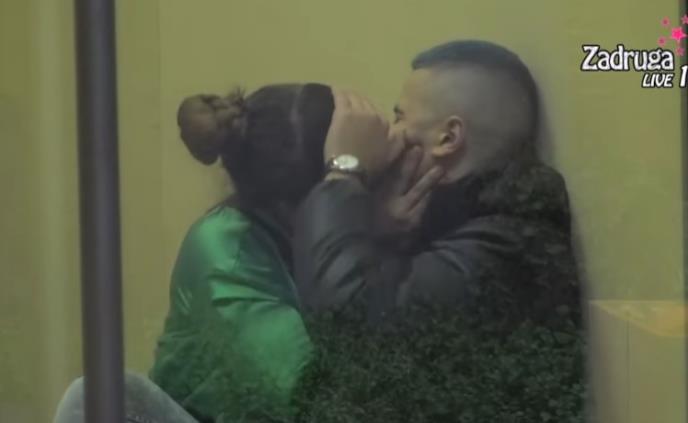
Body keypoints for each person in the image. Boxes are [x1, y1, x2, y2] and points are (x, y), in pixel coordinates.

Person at [294, 40, 580, 325]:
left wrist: (344, 170)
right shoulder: (470, 224)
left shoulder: (505, 253)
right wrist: (383, 237)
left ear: (448, 138)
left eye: (399, 117)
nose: (392, 132)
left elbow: (346, 320)